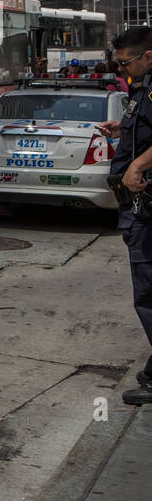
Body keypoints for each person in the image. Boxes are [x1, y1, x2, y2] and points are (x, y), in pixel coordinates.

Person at [97, 27, 152, 405]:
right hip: (138, 208)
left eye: (124, 63)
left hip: (145, 209)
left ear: (147, 56)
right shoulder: (142, 88)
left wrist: (137, 166)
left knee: (148, 294)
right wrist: (123, 128)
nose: (121, 70)